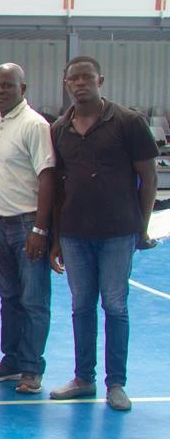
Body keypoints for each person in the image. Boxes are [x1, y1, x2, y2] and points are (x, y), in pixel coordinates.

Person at [48, 56, 158, 411]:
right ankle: (83, 378)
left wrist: (141, 228)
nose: (80, 84)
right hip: (75, 234)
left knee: (115, 305)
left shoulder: (128, 122)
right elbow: (58, 187)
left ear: (100, 80)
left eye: (86, 78)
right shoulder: (60, 129)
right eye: (73, 79)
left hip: (118, 232)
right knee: (81, 306)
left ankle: (116, 384)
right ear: (66, 85)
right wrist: (56, 238)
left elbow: (149, 178)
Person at [0, 63, 55, 395]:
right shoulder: (1, 121)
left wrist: (39, 229)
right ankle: (11, 361)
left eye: (7, 86)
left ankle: (31, 368)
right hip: (5, 223)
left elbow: (47, 175)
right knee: (9, 298)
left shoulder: (34, 125)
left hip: (27, 223)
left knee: (34, 300)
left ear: (23, 89)